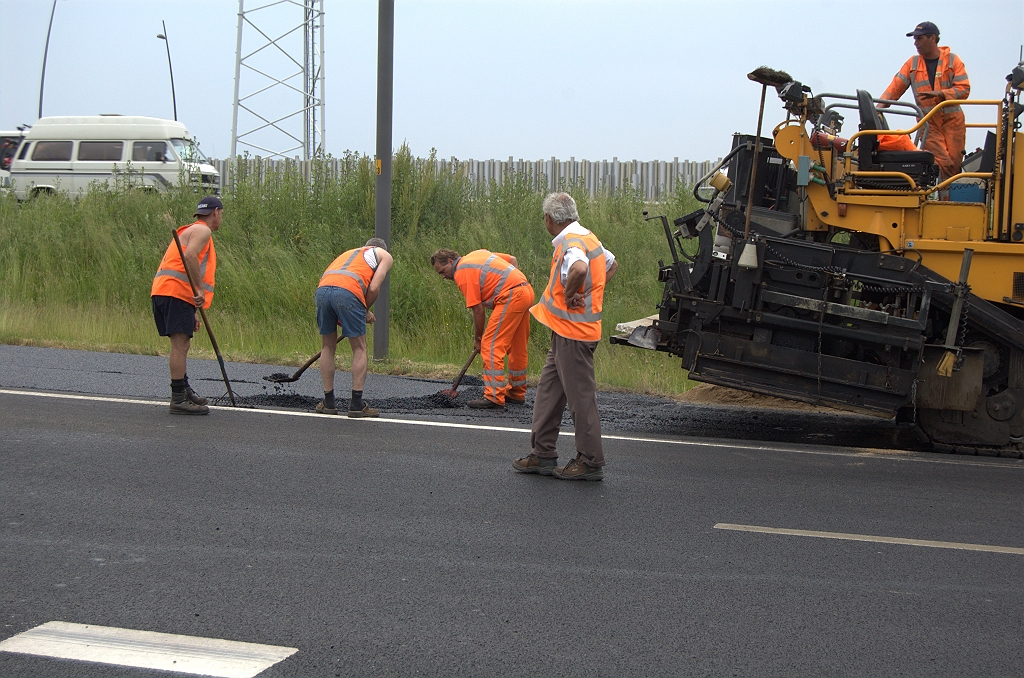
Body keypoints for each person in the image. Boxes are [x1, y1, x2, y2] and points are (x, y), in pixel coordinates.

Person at [512, 192, 617, 481]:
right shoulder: (587, 236)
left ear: (549, 219)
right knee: (548, 393)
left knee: (580, 399)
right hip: (566, 332)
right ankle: (542, 453)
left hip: (574, 334)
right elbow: (611, 264)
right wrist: (589, 293)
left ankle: (590, 460)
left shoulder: (572, 243)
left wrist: (573, 293)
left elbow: (580, 268)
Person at [431, 247, 533, 408]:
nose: (443, 277)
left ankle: (493, 396)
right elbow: (512, 259)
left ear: (451, 261)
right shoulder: (476, 254)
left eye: (443, 271)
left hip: (511, 296)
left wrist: (478, 339)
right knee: (517, 346)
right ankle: (516, 393)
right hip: (525, 291)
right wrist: (516, 284)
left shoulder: (462, 274)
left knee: (491, 346)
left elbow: (478, 310)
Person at [151, 196, 223, 415]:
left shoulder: (189, 230)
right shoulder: (203, 231)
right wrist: (199, 290)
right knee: (180, 346)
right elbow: (189, 255)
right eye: (221, 214)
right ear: (216, 212)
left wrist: (192, 310)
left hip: (166, 292)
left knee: (181, 345)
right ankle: (178, 399)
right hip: (175, 293)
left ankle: (184, 389)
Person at [878, 21, 970, 180]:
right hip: (929, 124)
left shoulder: (953, 61)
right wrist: (878, 110)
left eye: (919, 38)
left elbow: (964, 89)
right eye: (915, 39)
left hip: (953, 123)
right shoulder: (912, 63)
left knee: (954, 165)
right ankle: (945, 202)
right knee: (943, 163)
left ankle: (949, 201)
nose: (915, 43)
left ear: (932, 38)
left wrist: (941, 94)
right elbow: (894, 89)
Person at [316, 238, 394, 417]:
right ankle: (357, 404)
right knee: (359, 348)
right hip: (348, 292)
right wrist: (365, 310)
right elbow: (374, 287)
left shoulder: (350, 253)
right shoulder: (384, 255)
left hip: (322, 291)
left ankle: (328, 403)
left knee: (327, 346)